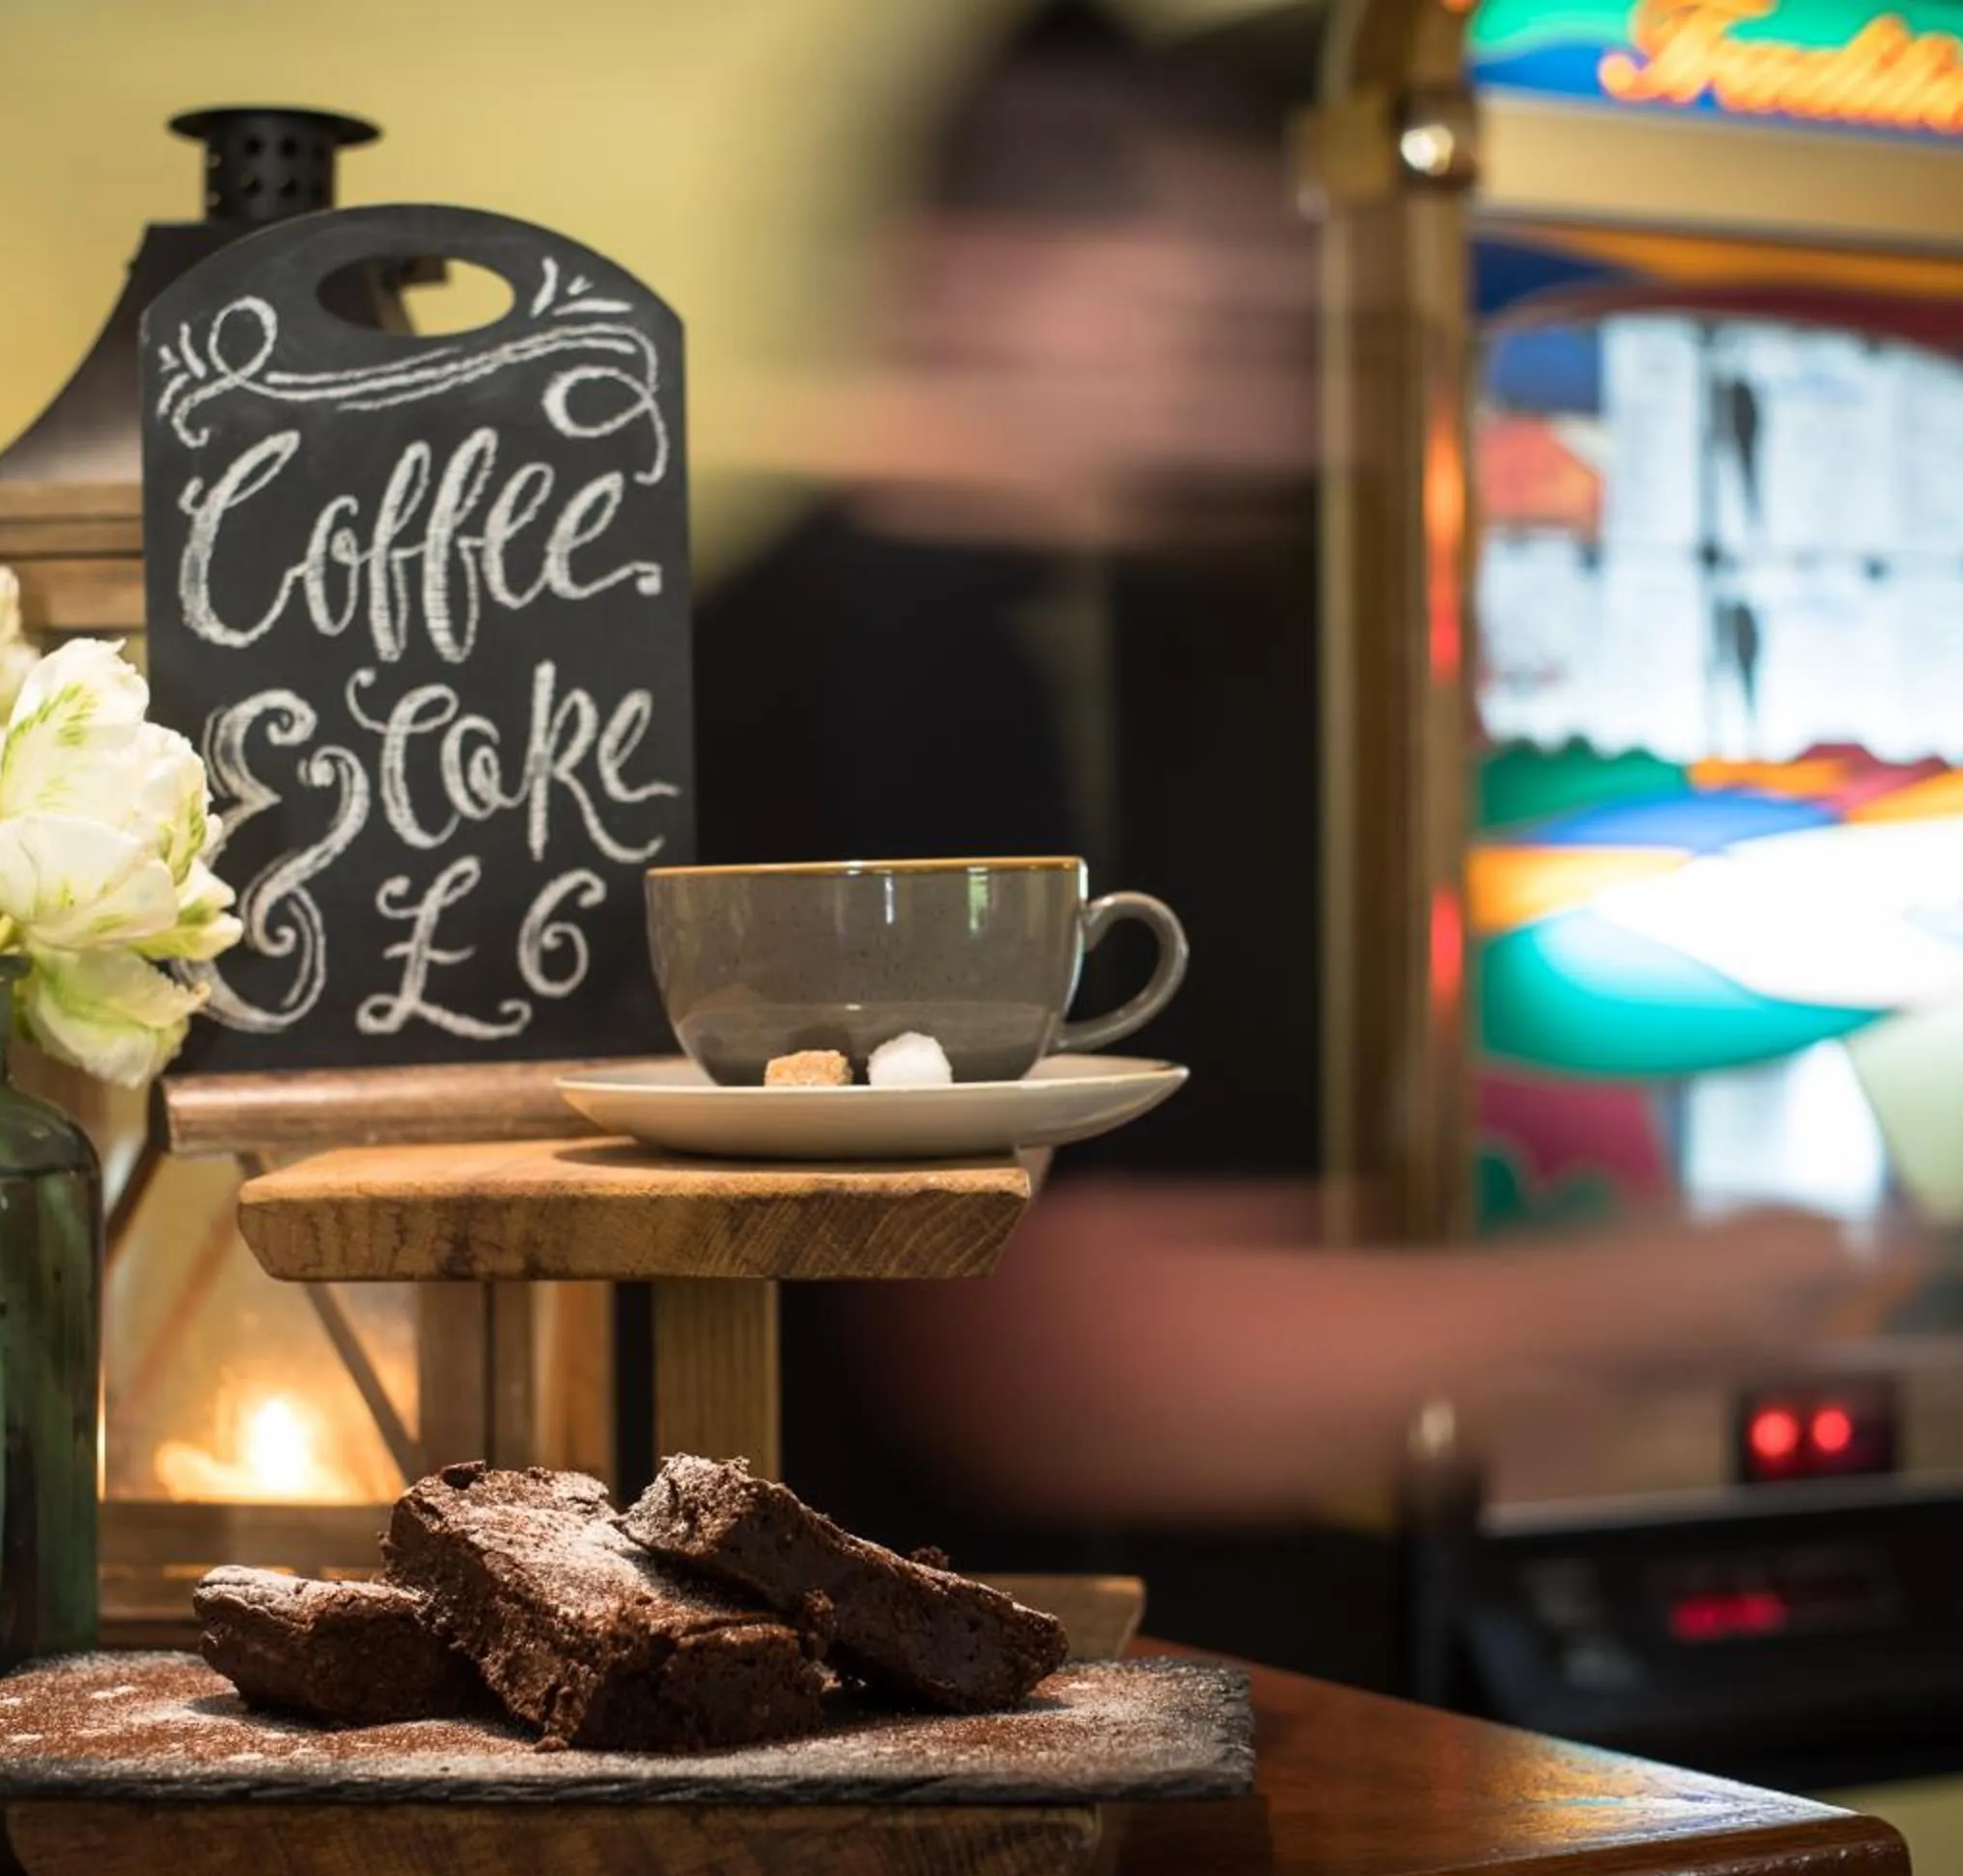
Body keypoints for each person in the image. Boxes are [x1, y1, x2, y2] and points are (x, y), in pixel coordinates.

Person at [691, 0, 1874, 1661]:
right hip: (919, 1690)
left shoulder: (1122, 627)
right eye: (1213, 283)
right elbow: (1060, 1369)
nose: (1280, 354)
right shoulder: (883, 651)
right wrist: (1689, 1290)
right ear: (971, 269)